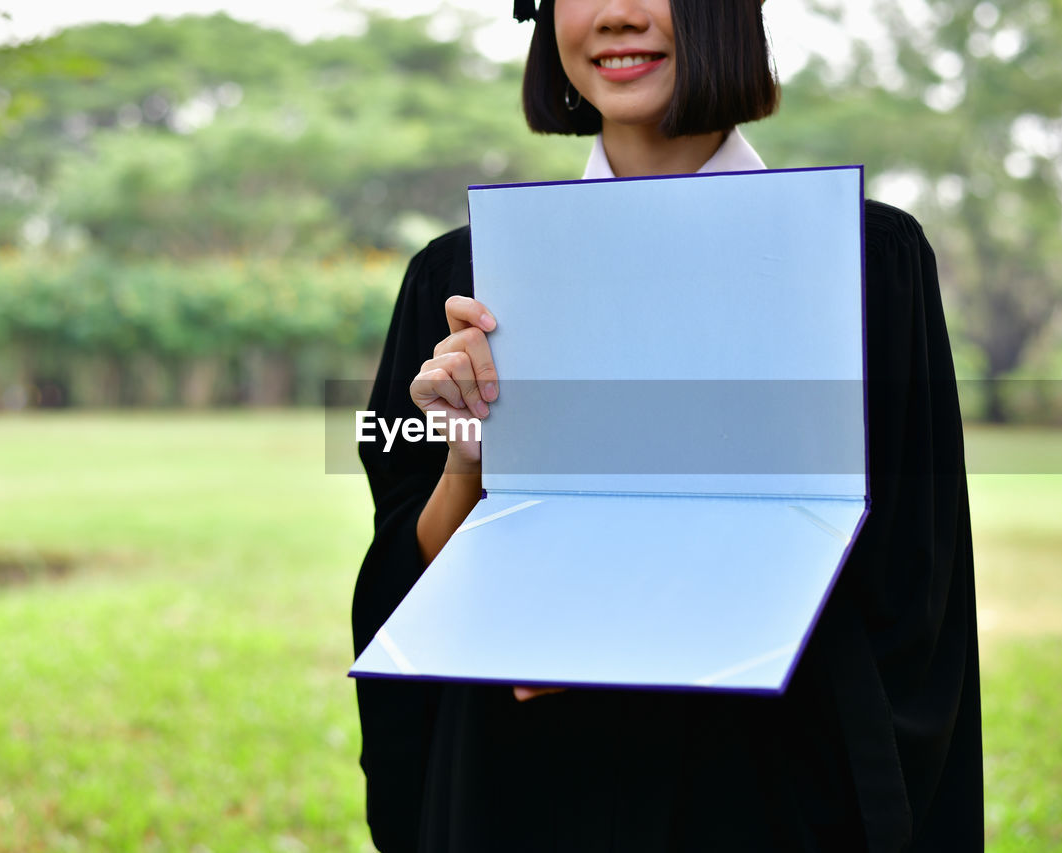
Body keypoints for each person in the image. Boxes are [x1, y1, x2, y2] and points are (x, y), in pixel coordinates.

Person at [352, 0, 983, 850]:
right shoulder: (459, 278)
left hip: (770, 782)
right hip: (528, 782)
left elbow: (915, 585)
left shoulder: (867, 263)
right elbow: (409, 572)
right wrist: (468, 455)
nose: (616, 14)